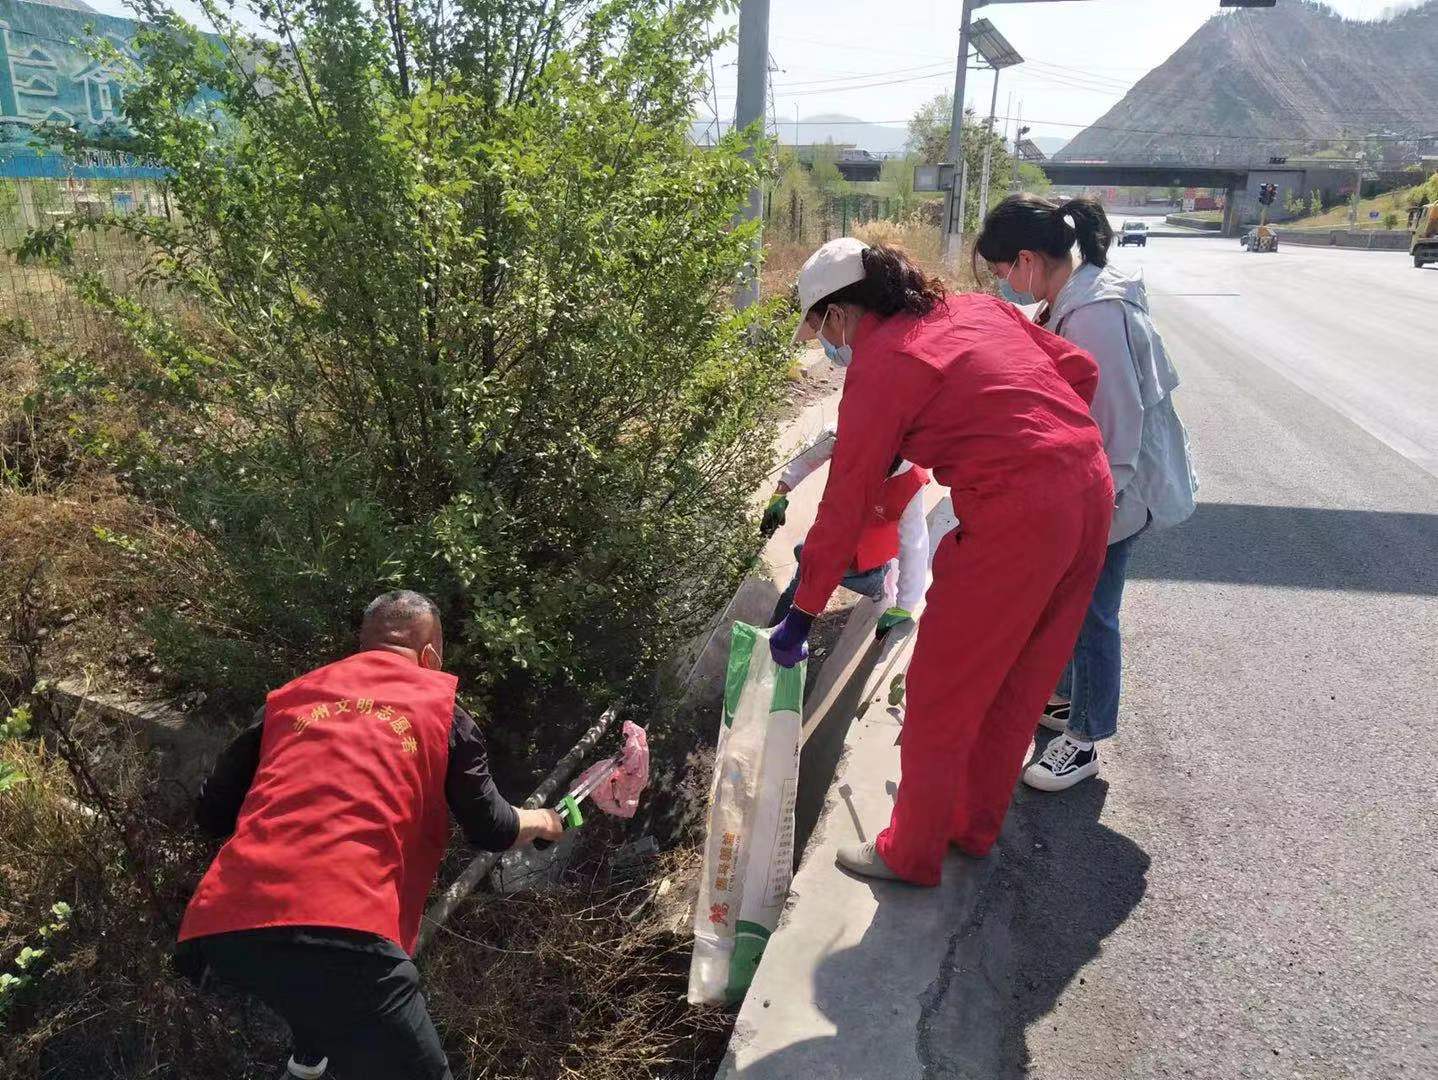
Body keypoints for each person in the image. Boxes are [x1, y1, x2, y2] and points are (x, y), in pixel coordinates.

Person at [769, 236, 1113, 886]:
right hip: (1089, 487)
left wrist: (803, 613)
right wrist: (1013, 440)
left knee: (940, 687)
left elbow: (845, 503)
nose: (826, 347)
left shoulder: (883, 362)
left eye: (821, 330)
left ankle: (911, 851)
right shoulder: (974, 309)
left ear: (843, 314)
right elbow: (1080, 371)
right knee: (1023, 678)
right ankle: (972, 827)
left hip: (1018, 517)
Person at [175, 590, 563, 1080]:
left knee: (307, 989)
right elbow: (494, 828)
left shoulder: (290, 697)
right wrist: (547, 821)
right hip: (350, 932)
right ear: (431, 657)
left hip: (226, 927)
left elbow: (211, 812)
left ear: (361, 646)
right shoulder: (444, 713)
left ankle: (309, 1059)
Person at [975, 195, 1197, 792]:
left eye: (1002, 272)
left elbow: (1118, 431)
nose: (1004, 285)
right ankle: (1070, 697)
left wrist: (1097, 511)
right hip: (1106, 481)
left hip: (1118, 489)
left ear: (1027, 258)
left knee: (1093, 612)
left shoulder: (1095, 315)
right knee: (1074, 602)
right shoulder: (1074, 298)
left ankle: (1086, 738)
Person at [762, 424, 931, 636]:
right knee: (804, 574)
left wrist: (905, 606)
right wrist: (781, 492)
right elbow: (809, 455)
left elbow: (914, 544)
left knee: (823, 566)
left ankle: (877, 582)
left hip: (868, 553)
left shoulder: (911, 482)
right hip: (831, 533)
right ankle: (770, 640)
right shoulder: (848, 435)